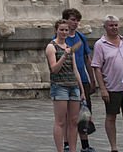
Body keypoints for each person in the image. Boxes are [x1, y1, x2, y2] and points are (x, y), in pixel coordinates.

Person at [92, 15, 123, 152]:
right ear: (105, 27)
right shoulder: (100, 44)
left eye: (116, 25)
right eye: (111, 25)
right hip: (111, 86)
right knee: (111, 116)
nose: (114, 28)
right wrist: (102, 88)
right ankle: (114, 147)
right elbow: (97, 67)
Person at [62, 7, 98, 152]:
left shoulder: (81, 37)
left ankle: (85, 144)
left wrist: (92, 78)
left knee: (84, 112)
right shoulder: (60, 39)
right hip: (67, 80)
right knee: (67, 114)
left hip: (82, 79)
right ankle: (66, 143)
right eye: (72, 20)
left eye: (77, 20)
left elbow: (86, 59)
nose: (75, 23)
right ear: (65, 20)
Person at [48, 19, 87, 152]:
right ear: (56, 30)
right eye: (61, 30)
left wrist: (81, 90)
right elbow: (54, 69)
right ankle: (60, 149)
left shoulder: (70, 48)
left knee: (74, 121)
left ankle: (73, 149)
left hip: (73, 86)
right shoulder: (51, 47)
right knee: (60, 121)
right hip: (59, 86)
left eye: (66, 30)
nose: (64, 32)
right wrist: (64, 56)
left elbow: (75, 70)